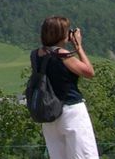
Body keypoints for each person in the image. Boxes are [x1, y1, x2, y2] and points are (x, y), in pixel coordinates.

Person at [33, 15, 98, 159]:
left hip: (49, 114)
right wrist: (79, 47)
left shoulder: (36, 55)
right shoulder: (63, 55)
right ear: (61, 34)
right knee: (85, 156)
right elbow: (89, 72)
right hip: (71, 111)